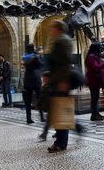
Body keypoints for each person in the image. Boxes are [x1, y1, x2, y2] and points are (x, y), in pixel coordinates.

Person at [47, 20, 73, 153]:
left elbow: (64, 62)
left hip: (60, 82)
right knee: (60, 110)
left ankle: (61, 143)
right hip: (59, 80)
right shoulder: (64, 40)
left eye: (52, 28)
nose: (50, 31)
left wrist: (63, 81)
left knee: (60, 111)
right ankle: (61, 141)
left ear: (58, 29)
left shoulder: (61, 41)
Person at [85, 42, 104, 121]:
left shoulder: (93, 56)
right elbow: (96, 67)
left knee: (95, 97)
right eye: (99, 47)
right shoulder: (92, 57)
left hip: (94, 80)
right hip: (93, 80)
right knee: (94, 98)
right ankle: (94, 115)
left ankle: (96, 113)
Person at [22, 44, 43, 124]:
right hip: (36, 79)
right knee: (39, 99)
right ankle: (41, 117)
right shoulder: (35, 56)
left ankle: (28, 118)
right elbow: (41, 64)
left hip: (27, 79)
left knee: (28, 101)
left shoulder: (24, 56)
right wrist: (39, 55)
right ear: (33, 48)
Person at [38, 71, 51, 141]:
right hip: (49, 107)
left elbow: (43, 97)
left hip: (52, 106)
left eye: (44, 78)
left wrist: (39, 104)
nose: (42, 79)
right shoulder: (45, 86)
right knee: (50, 121)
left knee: (50, 121)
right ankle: (44, 134)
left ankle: (44, 134)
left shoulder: (48, 87)